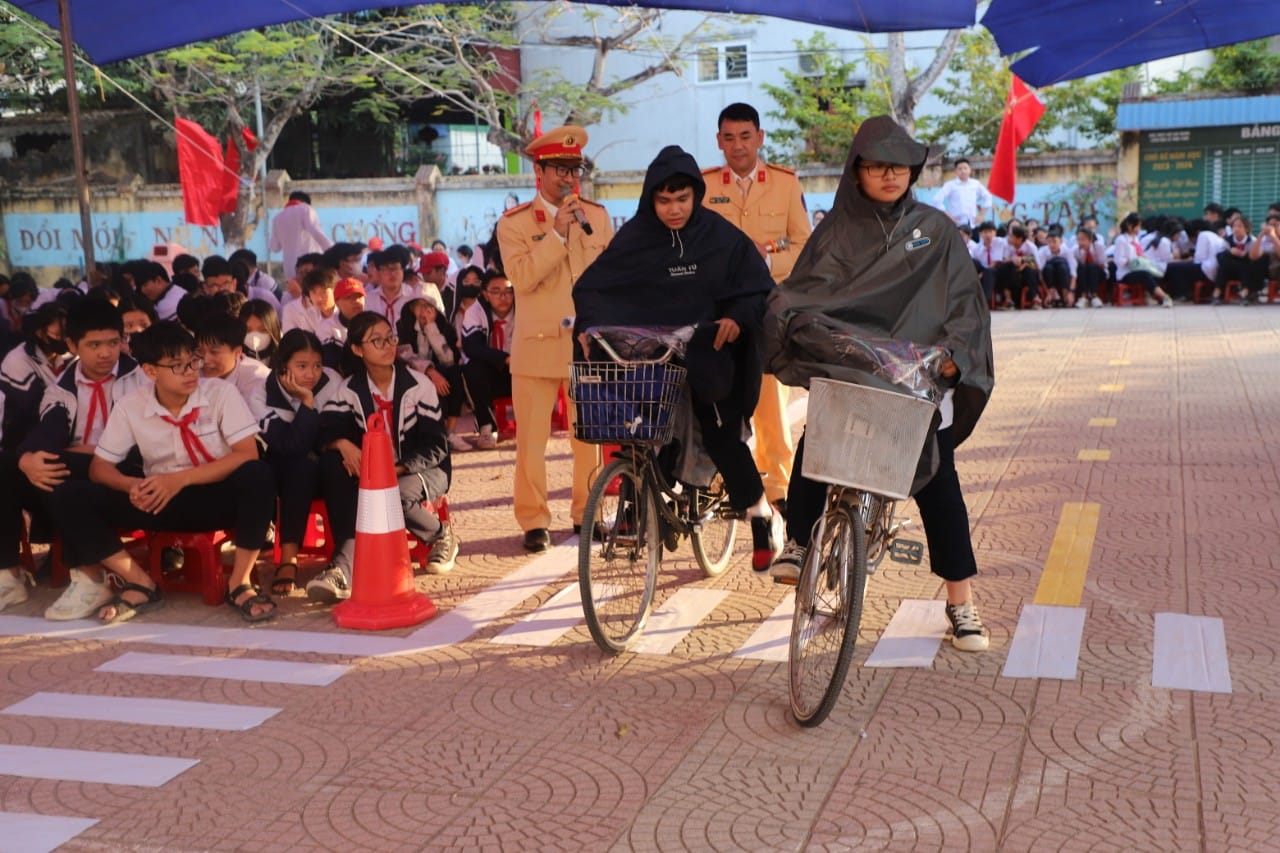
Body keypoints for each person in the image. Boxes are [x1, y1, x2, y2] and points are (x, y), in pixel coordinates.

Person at [764, 115, 995, 652]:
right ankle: (798, 541)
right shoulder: (836, 231)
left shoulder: (936, 229)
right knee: (819, 442)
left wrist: (956, 355)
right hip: (854, 368)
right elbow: (803, 291)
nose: (890, 175)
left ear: (912, 171)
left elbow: (965, 301)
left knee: (939, 482)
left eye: (900, 166)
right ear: (857, 171)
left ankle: (960, 602)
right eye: (877, 166)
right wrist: (790, 320)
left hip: (917, 378)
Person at [574, 144, 784, 570]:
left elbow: (756, 288)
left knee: (721, 433)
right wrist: (587, 326)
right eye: (664, 200)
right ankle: (637, 504)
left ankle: (761, 515)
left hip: (709, 353)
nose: (674, 209)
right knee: (634, 427)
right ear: (651, 199)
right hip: (652, 360)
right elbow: (595, 287)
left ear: (696, 196)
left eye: (682, 199)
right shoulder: (635, 239)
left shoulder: (720, 237)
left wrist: (736, 318)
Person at [45, 321, 278, 623]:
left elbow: (247, 453)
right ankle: (140, 583)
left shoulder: (221, 393)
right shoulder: (131, 405)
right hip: (160, 501)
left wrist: (179, 479)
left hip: (217, 498)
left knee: (258, 474)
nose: (191, 372)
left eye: (193, 361)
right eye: (177, 366)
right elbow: (99, 467)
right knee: (69, 495)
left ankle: (240, 584)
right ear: (151, 371)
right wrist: (131, 485)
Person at [495, 124, 612, 552]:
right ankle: (534, 520)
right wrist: (558, 234)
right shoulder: (514, 224)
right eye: (560, 170)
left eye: (574, 170)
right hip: (536, 347)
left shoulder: (597, 217)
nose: (568, 178)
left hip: (585, 347)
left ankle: (587, 512)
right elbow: (522, 277)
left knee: (589, 439)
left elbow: (609, 278)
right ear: (539, 172)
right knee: (531, 443)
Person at [702, 102, 812, 515]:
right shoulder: (703, 185)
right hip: (717, 309)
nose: (738, 146)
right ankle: (722, 480)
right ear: (719, 141)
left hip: (767, 308)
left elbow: (803, 245)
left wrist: (764, 260)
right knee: (717, 395)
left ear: (760, 138)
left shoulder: (785, 183)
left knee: (770, 401)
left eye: (746, 136)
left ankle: (778, 485)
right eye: (729, 138)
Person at [16, 299, 151, 620]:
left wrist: (79, 455)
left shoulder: (141, 380)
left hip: (130, 471)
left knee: (60, 472)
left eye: (113, 343)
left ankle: (89, 577)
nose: (105, 353)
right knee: (18, 466)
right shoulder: (61, 387)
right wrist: (26, 459)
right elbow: (50, 429)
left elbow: (140, 444)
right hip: (77, 471)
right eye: (94, 345)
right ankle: (7, 572)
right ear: (72, 345)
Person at [309, 312, 456, 603]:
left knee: (392, 496)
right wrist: (342, 444)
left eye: (390, 338)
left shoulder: (418, 385)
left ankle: (441, 535)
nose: (388, 346)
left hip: (424, 469)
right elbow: (325, 429)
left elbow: (437, 445)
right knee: (333, 467)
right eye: (377, 341)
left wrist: (396, 469)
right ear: (357, 349)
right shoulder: (349, 389)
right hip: (375, 475)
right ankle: (343, 570)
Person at [249, 328, 341, 596]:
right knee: (298, 465)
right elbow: (290, 445)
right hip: (284, 472)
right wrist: (307, 402)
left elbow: (335, 431)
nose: (311, 374)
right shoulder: (260, 393)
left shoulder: (332, 382)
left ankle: (343, 556)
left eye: (317, 365)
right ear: (282, 365)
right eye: (301, 366)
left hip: (326, 467)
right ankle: (288, 559)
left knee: (331, 464)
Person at [396, 297, 469, 452]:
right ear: (412, 309)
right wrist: (430, 371)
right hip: (412, 373)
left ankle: (451, 432)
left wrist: (431, 328)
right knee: (434, 379)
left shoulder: (444, 327)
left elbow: (449, 359)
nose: (424, 311)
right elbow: (406, 356)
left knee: (454, 372)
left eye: (428, 306)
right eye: (419, 306)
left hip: (440, 373)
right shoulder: (403, 326)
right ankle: (438, 433)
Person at [1, 303, 73, 451]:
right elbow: (35, 410)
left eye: (67, 333)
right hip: (20, 441)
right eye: (59, 334)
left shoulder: (65, 356)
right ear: (40, 333)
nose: (65, 339)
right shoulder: (19, 361)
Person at [460, 271, 515, 451]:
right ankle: (487, 427)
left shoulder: (524, 309)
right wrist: (504, 358)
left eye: (508, 291)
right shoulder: (476, 311)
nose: (503, 297)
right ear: (485, 294)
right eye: (496, 291)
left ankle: (534, 426)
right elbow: (471, 347)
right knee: (472, 369)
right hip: (493, 372)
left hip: (521, 370)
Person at [196, 313, 272, 403]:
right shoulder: (191, 372)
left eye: (214, 352)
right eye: (200, 350)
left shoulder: (257, 380)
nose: (206, 360)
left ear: (237, 352)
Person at [1113, 212, 1174, 307]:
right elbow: (1118, 260)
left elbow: (1139, 253)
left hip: (1137, 268)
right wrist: (1132, 261)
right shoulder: (1121, 240)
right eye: (1137, 226)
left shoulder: (1136, 239)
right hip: (1125, 273)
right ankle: (1164, 297)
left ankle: (1152, 296)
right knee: (1144, 275)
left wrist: (1142, 258)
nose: (1139, 229)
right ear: (1129, 225)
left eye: (1140, 226)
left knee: (1155, 273)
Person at [270, 191, 333, 280]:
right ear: (306, 202)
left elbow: (274, 248)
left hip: (290, 269)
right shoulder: (306, 209)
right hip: (310, 265)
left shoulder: (277, 218)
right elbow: (316, 231)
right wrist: (332, 250)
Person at [933, 158, 992, 228]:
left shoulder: (975, 183)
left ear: (970, 170)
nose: (963, 171)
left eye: (965, 168)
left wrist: (981, 215)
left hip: (973, 223)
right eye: (960, 169)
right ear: (956, 171)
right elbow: (936, 200)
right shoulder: (950, 185)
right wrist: (949, 217)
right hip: (956, 224)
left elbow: (988, 197)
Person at [1036, 226, 1076, 307]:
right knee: (1048, 267)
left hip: (1063, 274)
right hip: (1049, 276)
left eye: (1054, 242)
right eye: (1049, 242)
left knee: (1062, 265)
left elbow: (1073, 273)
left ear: (1061, 241)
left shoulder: (1067, 251)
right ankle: (1052, 295)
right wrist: (1047, 292)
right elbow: (1040, 273)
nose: (1052, 245)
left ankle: (1065, 295)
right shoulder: (1042, 251)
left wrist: (1071, 292)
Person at [1071, 227, 1107, 307]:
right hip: (1083, 273)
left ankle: (1094, 296)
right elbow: (1073, 267)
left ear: (1090, 240)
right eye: (1078, 240)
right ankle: (1083, 297)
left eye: (1083, 239)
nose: (1080, 242)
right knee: (1081, 267)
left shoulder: (1098, 247)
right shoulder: (1075, 250)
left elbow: (1102, 263)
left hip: (1098, 272)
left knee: (1092, 267)